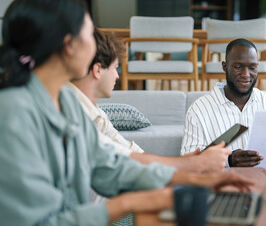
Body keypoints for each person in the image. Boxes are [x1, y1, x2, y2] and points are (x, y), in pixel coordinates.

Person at [0, 0, 253, 225]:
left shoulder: (66, 102)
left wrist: (196, 177)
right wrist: (130, 203)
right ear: (69, 45)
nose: (95, 45)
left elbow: (110, 166)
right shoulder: (13, 114)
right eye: (90, 33)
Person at [67, 28, 230, 174]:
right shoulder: (73, 113)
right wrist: (192, 164)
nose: (118, 76)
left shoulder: (97, 114)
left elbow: (131, 152)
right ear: (97, 70)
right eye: (115, 68)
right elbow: (125, 159)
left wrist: (187, 163)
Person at [181, 38, 266, 167]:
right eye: (238, 67)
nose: (246, 74)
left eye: (252, 67)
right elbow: (187, 163)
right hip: (224, 184)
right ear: (225, 67)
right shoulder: (199, 110)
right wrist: (229, 161)